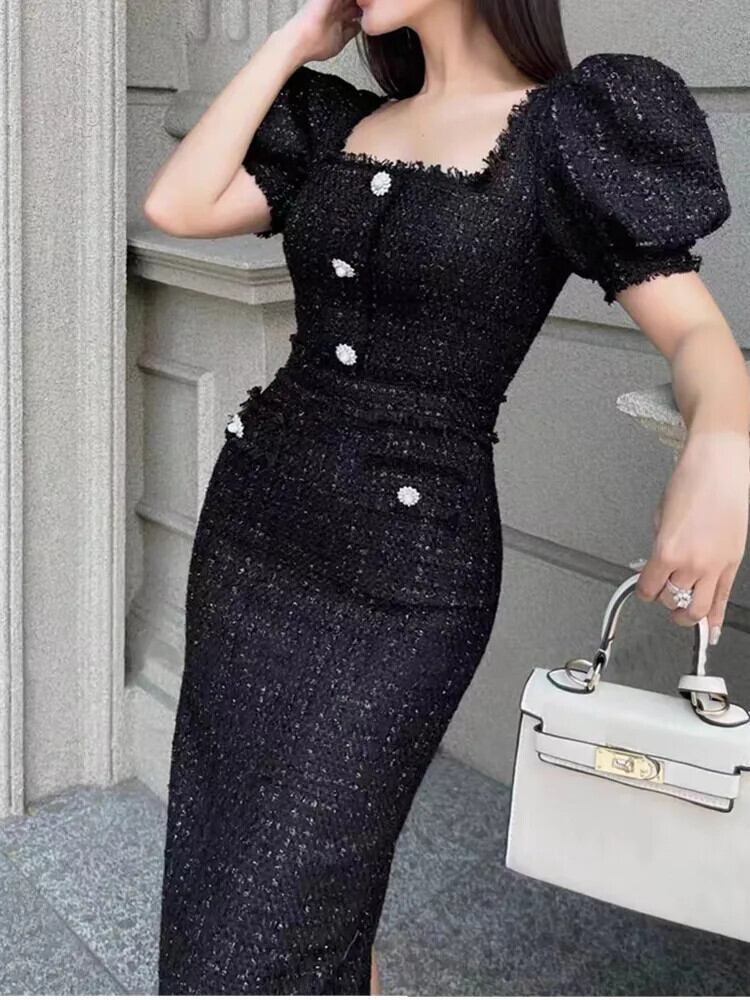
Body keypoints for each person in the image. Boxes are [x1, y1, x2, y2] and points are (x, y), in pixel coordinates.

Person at [143, 0, 749, 994]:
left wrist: (723, 444)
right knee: (227, 864)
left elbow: (698, 337)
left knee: (293, 904)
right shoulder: (334, 123)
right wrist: (292, 39)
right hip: (253, 536)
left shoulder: (565, 130)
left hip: (407, 576)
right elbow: (179, 204)